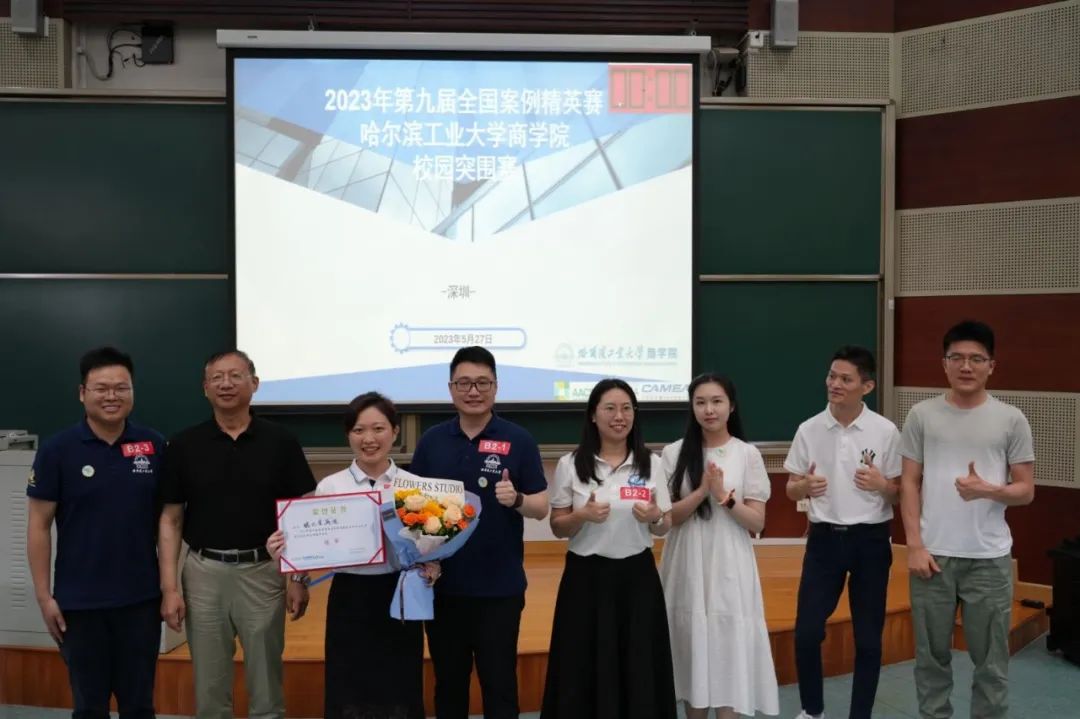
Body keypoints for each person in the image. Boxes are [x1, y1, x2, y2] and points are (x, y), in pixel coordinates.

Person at [157, 349, 316, 719]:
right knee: (210, 688)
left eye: (235, 375)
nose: (226, 384)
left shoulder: (281, 441)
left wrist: (298, 577)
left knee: (267, 684)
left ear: (254, 383)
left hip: (263, 572)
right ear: (205, 388)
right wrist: (170, 589)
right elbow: (170, 520)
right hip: (203, 572)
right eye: (217, 377)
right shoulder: (183, 445)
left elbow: (302, 512)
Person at [266, 392, 438, 719]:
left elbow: (431, 546)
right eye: (359, 430)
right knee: (349, 686)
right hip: (350, 596)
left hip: (400, 595)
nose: (369, 439)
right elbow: (310, 548)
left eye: (378, 428)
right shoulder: (331, 487)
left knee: (399, 686)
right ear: (348, 434)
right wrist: (288, 559)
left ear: (395, 432)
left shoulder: (415, 486)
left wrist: (433, 565)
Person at [900, 321, 1035, 719]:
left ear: (991, 366)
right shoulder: (922, 415)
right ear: (943, 363)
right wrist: (914, 545)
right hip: (932, 558)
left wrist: (987, 490)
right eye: (956, 357)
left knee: (991, 665)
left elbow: (1026, 490)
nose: (966, 366)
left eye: (976, 358)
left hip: (988, 560)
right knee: (930, 661)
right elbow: (908, 482)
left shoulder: (1011, 419)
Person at [409, 346, 549, 719]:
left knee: (500, 685)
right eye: (464, 383)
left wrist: (516, 499)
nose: (473, 391)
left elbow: (541, 506)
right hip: (443, 589)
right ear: (451, 388)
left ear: (496, 387)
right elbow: (412, 510)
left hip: (499, 589)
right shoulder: (431, 441)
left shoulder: (518, 439)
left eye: (482, 383)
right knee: (449, 685)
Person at [26, 346, 165, 719]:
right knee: (89, 707)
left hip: (140, 601)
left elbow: (169, 522)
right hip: (79, 605)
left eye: (121, 388)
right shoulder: (57, 450)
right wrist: (44, 596)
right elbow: (38, 526)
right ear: (82, 393)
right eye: (101, 388)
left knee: (139, 706)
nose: (111, 396)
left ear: (132, 391)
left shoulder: (153, 446)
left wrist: (169, 589)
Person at [542, 378, 675, 719]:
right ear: (593, 415)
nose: (620, 416)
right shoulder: (572, 464)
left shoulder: (652, 463)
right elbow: (557, 527)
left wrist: (655, 516)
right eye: (610, 408)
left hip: (637, 577)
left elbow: (664, 525)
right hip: (586, 579)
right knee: (581, 665)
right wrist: (581, 515)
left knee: (639, 663)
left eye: (627, 408)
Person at [784, 346, 902, 719]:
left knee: (868, 639)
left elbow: (899, 492)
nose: (834, 384)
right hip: (824, 541)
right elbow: (790, 488)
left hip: (871, 541)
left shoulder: (885, 431)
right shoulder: (809, 429)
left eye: (845, 379)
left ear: (866, 386)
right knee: (806, 632)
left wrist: (883, 484)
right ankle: (812, 710)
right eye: (832, 376)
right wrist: (804, 487)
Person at [659, 373, 779, 719]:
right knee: (690, 643)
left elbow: (757, 522)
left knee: (729, 645)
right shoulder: (673, 453)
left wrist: (724, 497)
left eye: (716, 401)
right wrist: (701, 492)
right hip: (687, 562)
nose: (708, 410)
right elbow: (667, 519)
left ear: (731, 406)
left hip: (729, 562)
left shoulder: (747, 454)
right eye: (700, 402)